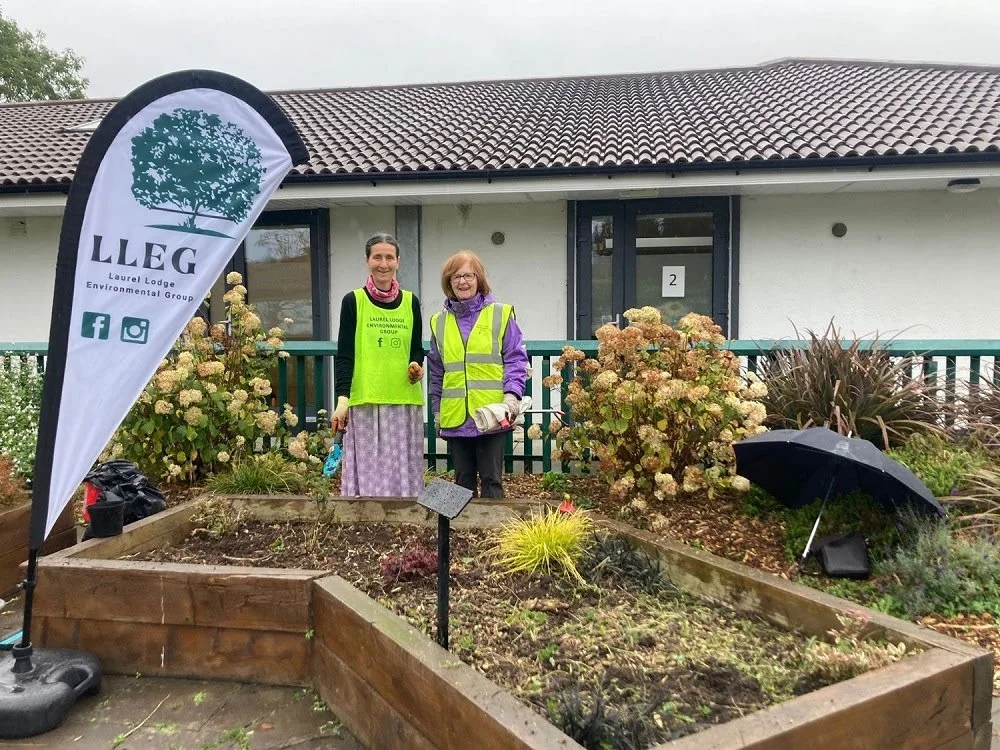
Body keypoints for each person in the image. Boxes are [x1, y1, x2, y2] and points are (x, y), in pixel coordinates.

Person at [428, 250, 529, 498]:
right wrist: (437, 409)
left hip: (491, 414)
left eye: (468, 275)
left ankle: (492, 533)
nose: (463, 282)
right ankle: (463, 534)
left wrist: (512, 396)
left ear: (479, 278)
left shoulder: (500, 314)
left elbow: (516, 359)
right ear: (448, 283)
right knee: (462, 482)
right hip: (456, 415)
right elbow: (436, 370)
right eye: (456, 277)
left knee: (492, 481)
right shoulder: (438, 322)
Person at [332, 233, 425, 496]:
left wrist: (416, 365)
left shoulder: (410, 301)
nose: (383, 264)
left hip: (403, 401)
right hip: (366, 401)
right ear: (367, 261)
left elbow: (416, 347)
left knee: (402, 472)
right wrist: (342, 399)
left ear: (398, 261)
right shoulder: (353, 301)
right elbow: (345, 353)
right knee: (370, 472)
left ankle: (405, 520)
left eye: (389, 257)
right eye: (377, 257)